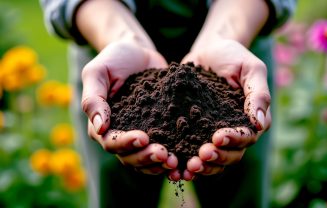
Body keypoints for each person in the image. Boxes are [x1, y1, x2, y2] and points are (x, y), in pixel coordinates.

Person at [40, 0, 295, 207]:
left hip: (236, 50)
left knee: (239, 197)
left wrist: (225, 34)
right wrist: (121, 37)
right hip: (113, 63)